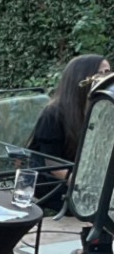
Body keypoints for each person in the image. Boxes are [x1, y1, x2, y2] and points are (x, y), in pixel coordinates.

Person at [28, 53, 112, 208]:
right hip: (55, 185)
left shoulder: (102, 110)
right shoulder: (53, 114)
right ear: (81, 77)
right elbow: (52, 163)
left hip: (87, 181)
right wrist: (86, 186)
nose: (106, 78)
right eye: (100, 73)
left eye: (108, 73)